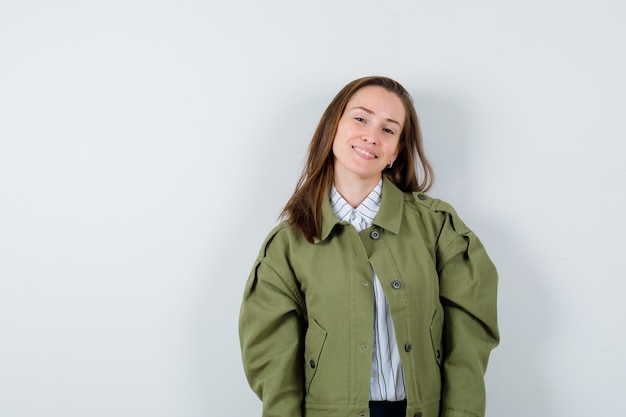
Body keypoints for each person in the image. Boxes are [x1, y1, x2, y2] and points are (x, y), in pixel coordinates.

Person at [238, 76, 499, 417]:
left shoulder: (438, 228)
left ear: (396, 152)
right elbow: (274, 365)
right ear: (334, 126)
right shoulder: (287, 245)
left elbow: (469, 342)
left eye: (389, 130)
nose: (371, 136)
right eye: (361, 119)